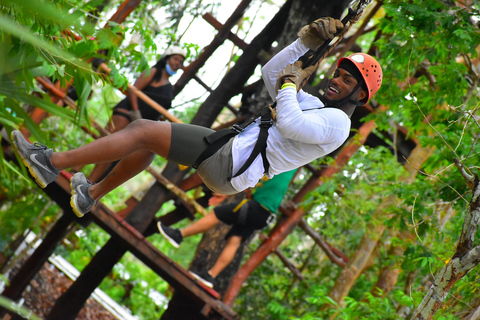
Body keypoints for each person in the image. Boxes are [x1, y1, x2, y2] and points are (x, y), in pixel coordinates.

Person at [10, 17, 383, 219]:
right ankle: (90, 195)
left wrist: (290, 85)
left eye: (346, 80)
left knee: (142, 129)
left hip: (232, 164)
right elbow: (273, 74)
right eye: (337, 73)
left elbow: (288, 122)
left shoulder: (338, 124)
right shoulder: (319, 108)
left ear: (360, 95)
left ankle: (49, 163)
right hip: (230, 152)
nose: (336, 80)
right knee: (148, 138)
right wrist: (305, 43)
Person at [158, 170, 296, 288]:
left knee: (217, 213)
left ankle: (179, 235)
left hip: (257, 208)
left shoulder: (281, 159)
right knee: (234, 240)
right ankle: (210, 276)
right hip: (265, 215)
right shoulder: (290, 163)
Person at [88, 46, 186, 182]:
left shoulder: (169, 88)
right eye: (176, 59)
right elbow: (134, 90)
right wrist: (136, 112)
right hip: (126, 113)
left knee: (113, 152)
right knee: (103, 142)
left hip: (140, 126)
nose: (177, 63)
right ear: (167, 58)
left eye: (180, 62)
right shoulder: (152, 72)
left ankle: (88, 182)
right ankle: (74, 169)